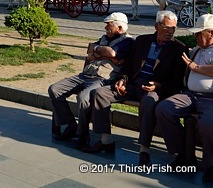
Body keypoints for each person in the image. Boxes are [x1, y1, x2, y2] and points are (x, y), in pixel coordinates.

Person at [83, 10, 188, 167]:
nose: (170, 32)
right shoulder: (142, 41)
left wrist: (158, 85)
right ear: (156, 26)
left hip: (153, 88)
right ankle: (106, 141)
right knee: (99, 94)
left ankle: (144, 150)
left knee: (149, 102)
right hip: (132, 84)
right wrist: (122, 80)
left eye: (173, 28)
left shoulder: (178, 49)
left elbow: (176, 82)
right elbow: (128, 66)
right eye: (167, 27)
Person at [48, 13, 134, 149]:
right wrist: (104, 54)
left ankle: (82, 134)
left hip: (103, 79)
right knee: (55, 89)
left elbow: (111, 53)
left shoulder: (128, 41)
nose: (106, 27)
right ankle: (71, 125)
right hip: (86, 74)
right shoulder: (104, 38)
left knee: (83, 98)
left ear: (119, 27)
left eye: (109, 24)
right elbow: (90, 52)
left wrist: (102, 53)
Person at [155, 13, 213, 181]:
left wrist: (196, 68)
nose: (195, 36)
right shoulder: (196, 49)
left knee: (208, 124)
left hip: (210, 99)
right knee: (164, 109)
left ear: (211, 33)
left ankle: (210, 164)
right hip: (190, 95)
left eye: (199, 33)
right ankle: (183, 154)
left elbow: (197, 67)